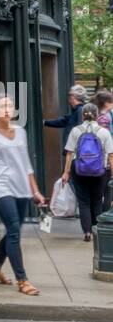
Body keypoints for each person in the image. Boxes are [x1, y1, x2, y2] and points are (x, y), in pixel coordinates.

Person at [0, 93, 47, 295]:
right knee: (14, 232)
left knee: (13, 230)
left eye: (10, 105)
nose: (7, 109)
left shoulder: (20, 132)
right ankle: (23, 280)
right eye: (2, 106)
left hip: (22, 187)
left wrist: (35, 190)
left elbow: (26, 163)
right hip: (2, 187)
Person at [62, 101, 113, 242]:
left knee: (83, 201)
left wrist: (66, 172)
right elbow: (111, 155)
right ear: (96, 116)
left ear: (83, 116)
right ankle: (96, 230)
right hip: (100, 171)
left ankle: (87, 232)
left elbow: (69, 153)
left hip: (79, 170)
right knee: (97, 200)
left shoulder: (75, 130)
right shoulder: (104, 132)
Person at [44, 86, 86, 180]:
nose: (68, 99)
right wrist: (45, 122)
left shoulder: (79, 112)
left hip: (75, 155)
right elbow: (63, 121)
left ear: (73, 97)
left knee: (68, 180)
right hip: (75, 154)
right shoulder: (77, 112)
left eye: (69, 96)